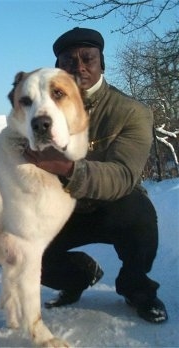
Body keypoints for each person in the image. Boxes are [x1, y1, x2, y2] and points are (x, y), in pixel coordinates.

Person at [24, 27, 168, 323]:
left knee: (138, 214)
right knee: (14, 244)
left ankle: (137, 288)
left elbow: (124, 175)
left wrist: (66, 167)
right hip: (60, 207)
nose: (79, 67)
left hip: (112, 206)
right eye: (69, 60)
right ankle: (77, 277)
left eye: (88, 58)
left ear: (102, 63)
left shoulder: (131, 111)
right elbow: (13, 155)